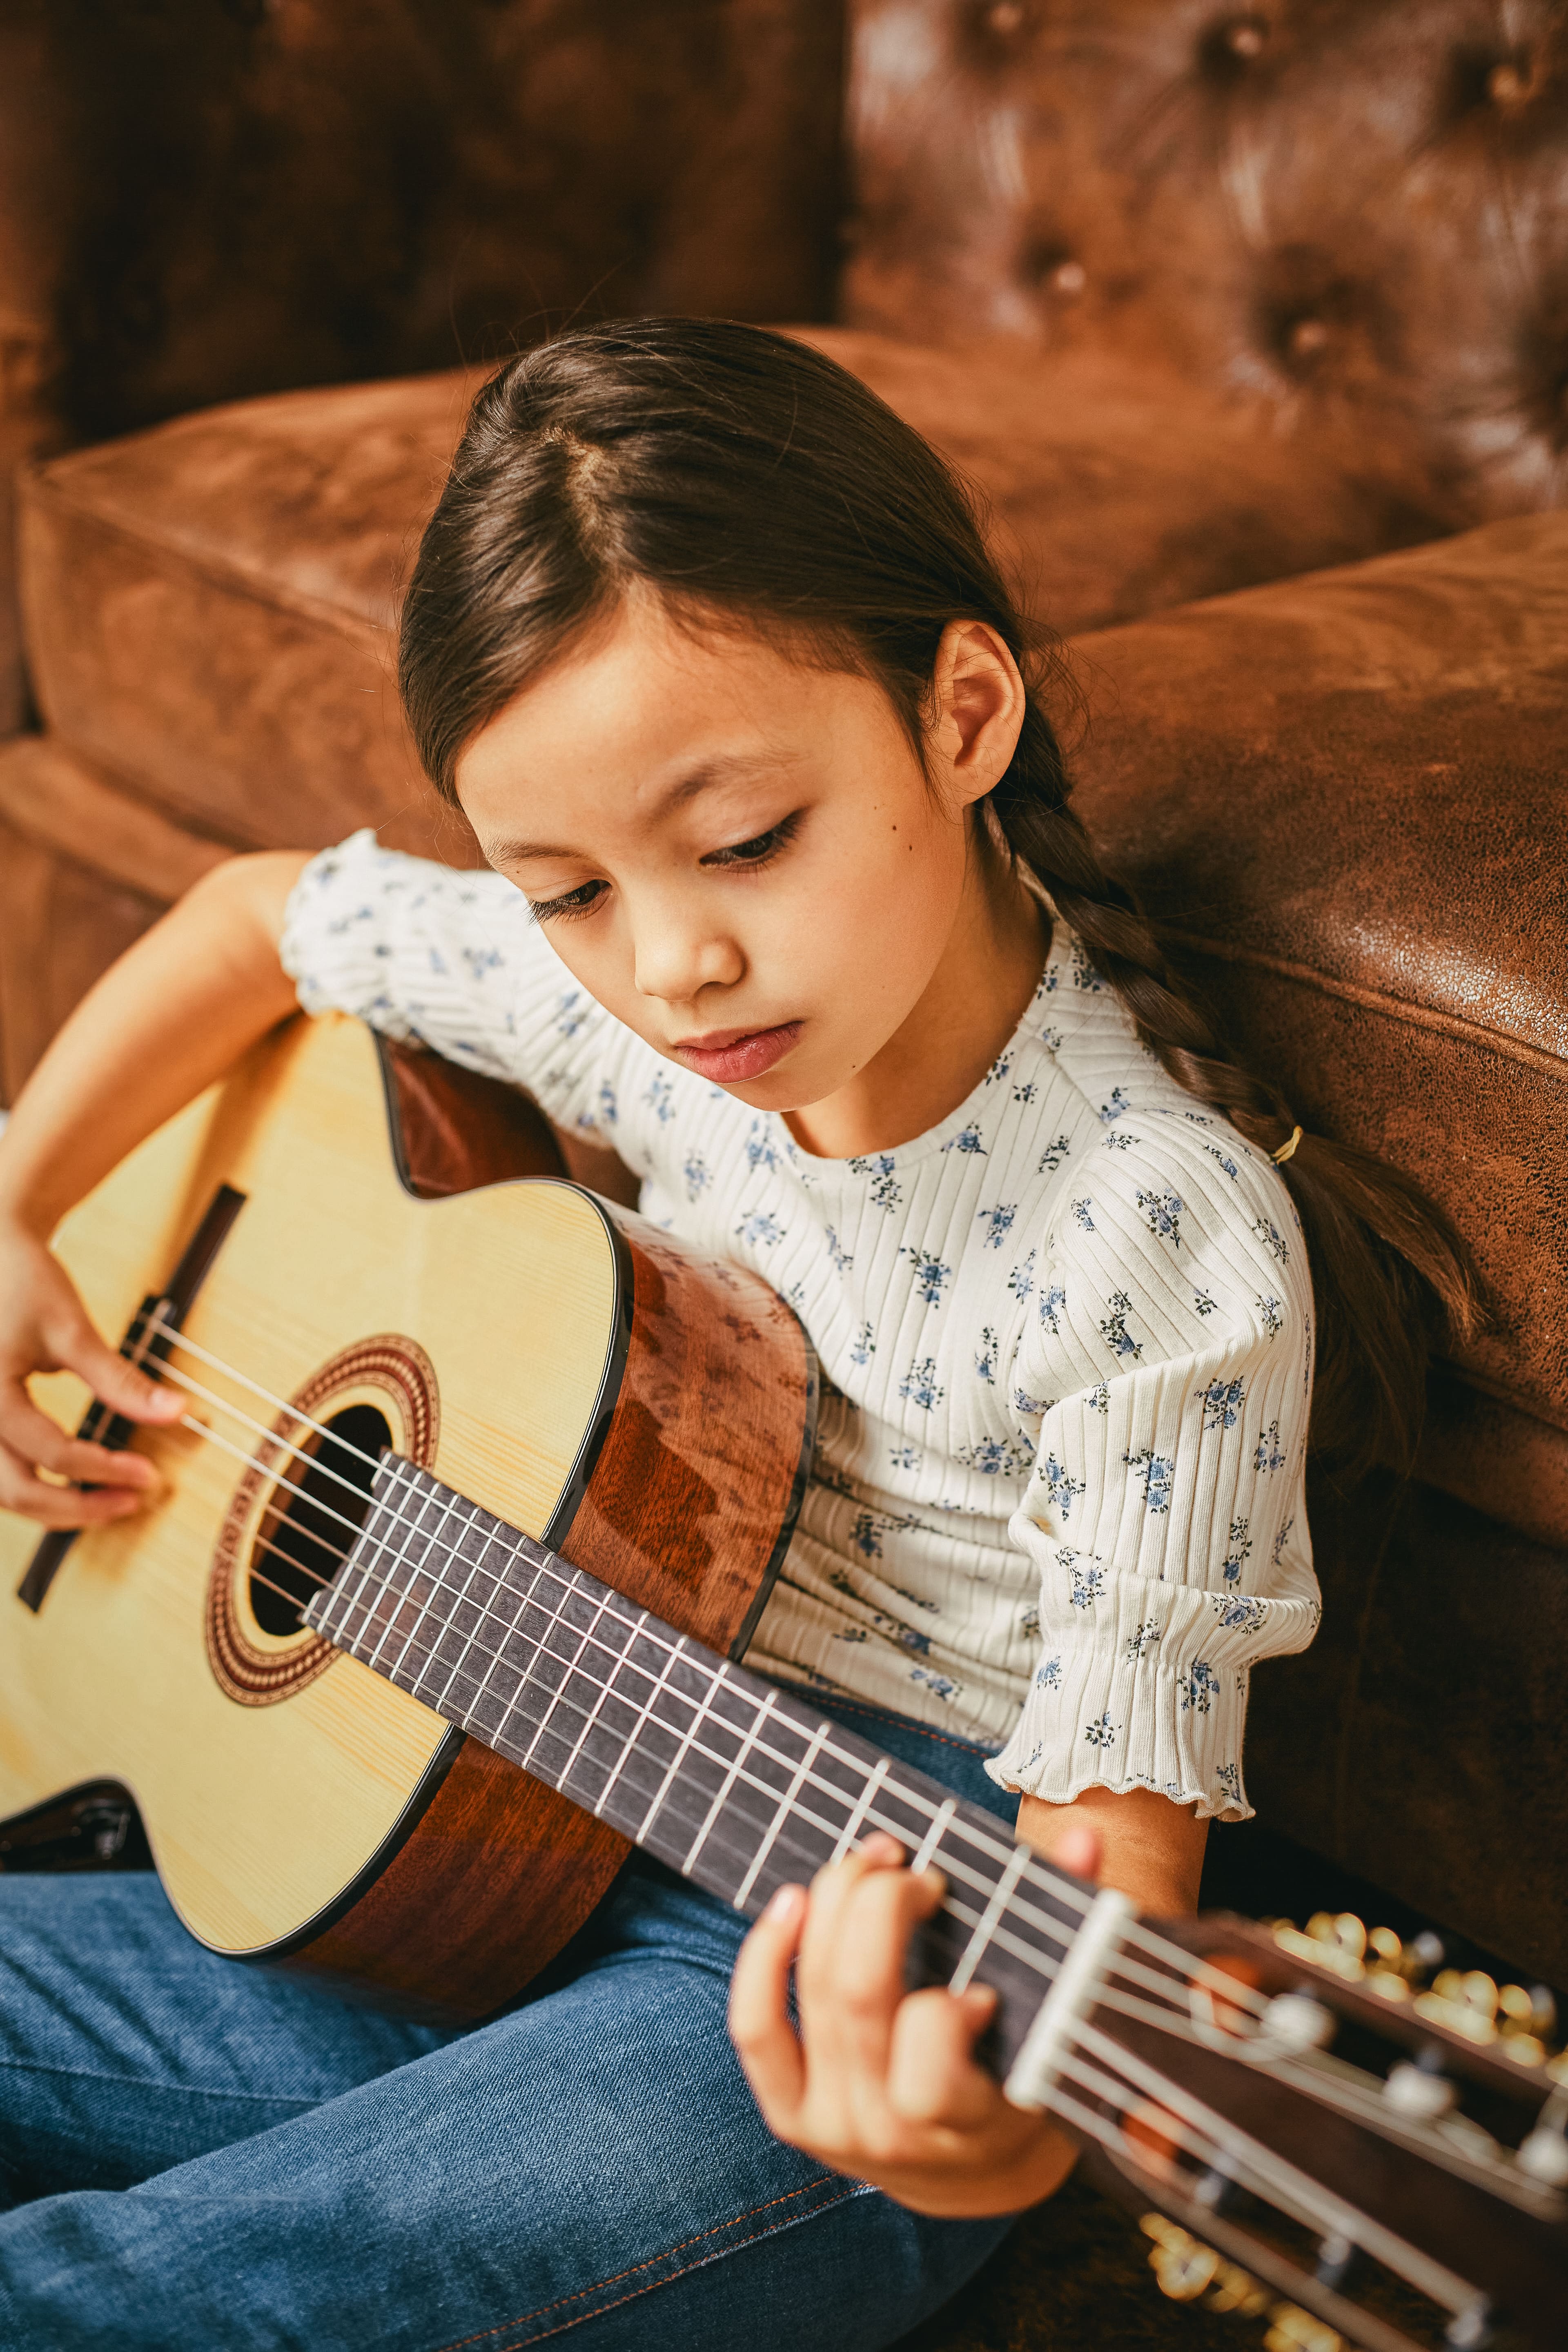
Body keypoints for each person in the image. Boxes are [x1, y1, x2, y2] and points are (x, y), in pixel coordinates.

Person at [0, 321, 1473, 2349]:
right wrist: (13, 1188)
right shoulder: (651, 1019)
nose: (673, 968)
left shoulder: (1164, 1236)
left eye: (747, 842)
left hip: (809, 1957)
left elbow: (1109, 1886)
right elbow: (266, 917)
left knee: (127, 2303)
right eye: (568, 890)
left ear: (959, 714)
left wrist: (971, 2136)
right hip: (462, 1803)